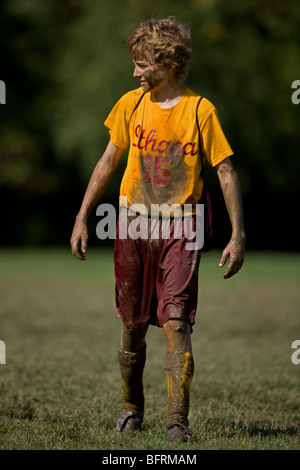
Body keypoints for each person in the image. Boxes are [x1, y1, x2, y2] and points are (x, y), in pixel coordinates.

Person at [70, 17, 246, 442]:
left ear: (167, 64)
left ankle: (176, 423)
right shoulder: (130, 104)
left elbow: (224, 171)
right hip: (131, 225)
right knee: (131, 325)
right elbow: (108, 160)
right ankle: (131, 409)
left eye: (142, 64)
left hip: (183, 229)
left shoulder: (201, 110)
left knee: (177, 322)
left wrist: (237, 235)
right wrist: (81, 216)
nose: (135, 72)